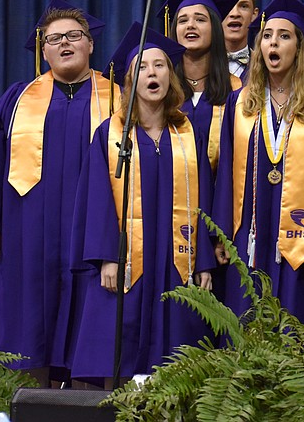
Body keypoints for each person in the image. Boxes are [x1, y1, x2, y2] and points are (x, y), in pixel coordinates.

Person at [0, 0, 117, 385]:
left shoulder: (117, 98)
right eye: (54, 38)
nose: (65, 43)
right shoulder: (17, 99)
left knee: (89, 330)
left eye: (74, 36)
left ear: (90, 44)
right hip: (26, 239)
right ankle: (29, 403)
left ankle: (85, 404)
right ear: (43, 50)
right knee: (28, 333)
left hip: (94, 236)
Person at [69, 23, 214, 383]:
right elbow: (96, 200)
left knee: (179, 356)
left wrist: (204, 262)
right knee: (119, 350)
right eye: (143, 68)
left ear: (170, 77)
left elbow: (204, 205)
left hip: (176, 260)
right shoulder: (110, 135)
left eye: (160, 66)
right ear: (129, 81)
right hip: (126, 260)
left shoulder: (188, 134)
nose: (152, 73)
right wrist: (107, 257)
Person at [212, 0, 304, 330]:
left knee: (297, 323)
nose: (273, 43)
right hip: (249, 233)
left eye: (284, 36)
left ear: (299, 48)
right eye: (267, 36)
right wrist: (220, 234)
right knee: (246, 318)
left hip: (302, 240)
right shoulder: (239, 104)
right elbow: (226, 175)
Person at [159, 0, 240, 172]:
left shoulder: (236, 90)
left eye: (200, 19)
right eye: (183, 20)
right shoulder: (161, 89)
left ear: (215, 29)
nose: (190, 25)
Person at [203, 0, 273, 81]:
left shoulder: (267, 68)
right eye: (227, 6)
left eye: (244, 6)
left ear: (254, 14)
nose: (235, 13)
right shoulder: (200, 70)